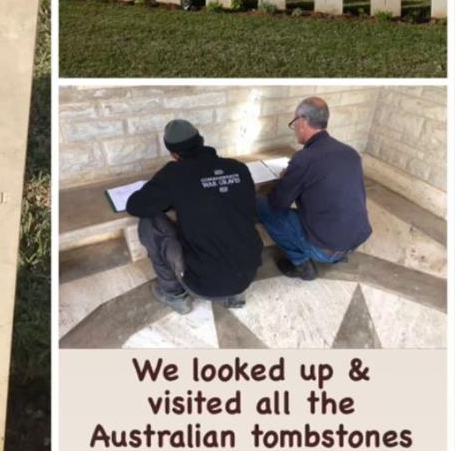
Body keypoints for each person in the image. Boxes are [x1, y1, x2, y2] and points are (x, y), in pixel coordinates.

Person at [127, 119, 263, 315]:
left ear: (174, 154)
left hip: (202, 284)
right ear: (201, 140)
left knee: (149, 222)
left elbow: (136, 206)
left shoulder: (174, 174)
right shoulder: (238, 168)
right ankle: (235, 295)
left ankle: (175, 295)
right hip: (247, 276)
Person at [257, 96, 372, 281]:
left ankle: (301, 264)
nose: (294, 127)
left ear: (303, 121)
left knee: (263, 207)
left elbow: (277, 204)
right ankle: (336, 252)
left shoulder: (304, 159)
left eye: (294, 122)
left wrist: (285, 180)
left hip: (327, 249)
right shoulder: (350, 153)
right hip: (358, 238)